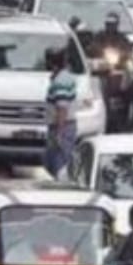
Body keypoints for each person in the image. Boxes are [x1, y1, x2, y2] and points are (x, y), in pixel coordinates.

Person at [43, 48, 77, 178]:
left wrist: (59, 133)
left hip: (62, 127)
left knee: (59, 165)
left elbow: (62, 109)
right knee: (51, 161)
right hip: (62, 126)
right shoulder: (62, 77)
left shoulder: (61, 81)